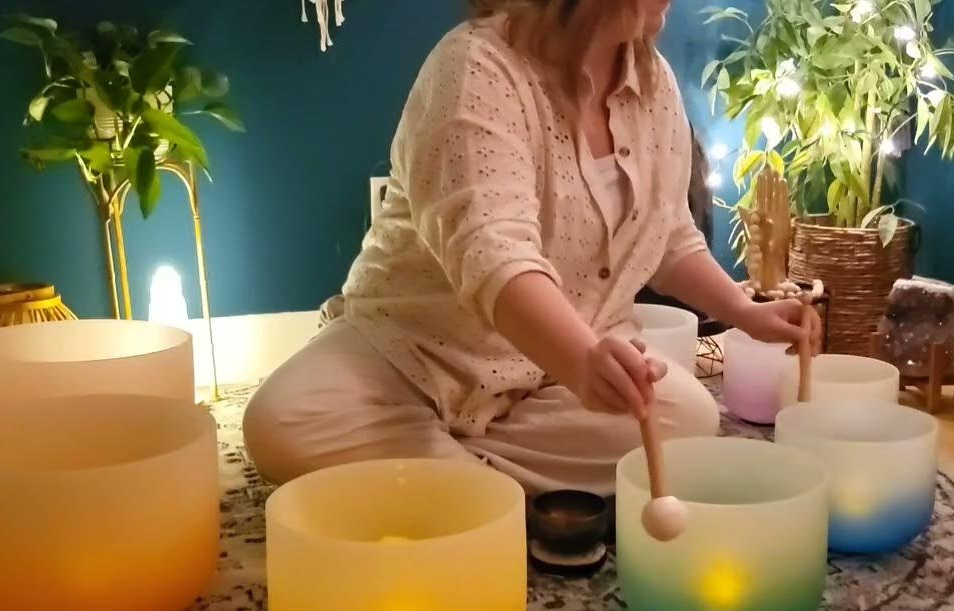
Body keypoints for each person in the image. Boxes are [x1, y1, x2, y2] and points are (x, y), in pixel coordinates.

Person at [243, 0, 821, 494]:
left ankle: (452, 488)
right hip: (415, 353)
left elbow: (669, 234)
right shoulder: (474, 67)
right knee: (283, 421)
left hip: (547, 378)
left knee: (687, 417)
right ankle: (488, 492)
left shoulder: (655, 83)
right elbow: (494, 254)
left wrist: (744, 311)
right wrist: (582, 359)